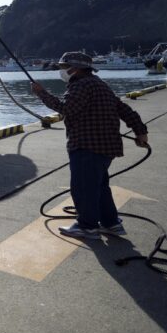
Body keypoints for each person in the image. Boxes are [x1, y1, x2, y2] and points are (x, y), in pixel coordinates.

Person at [31, 51, 149, 239]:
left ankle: (87, 226)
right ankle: (111, 224)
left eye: (64, 67)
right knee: (100, 187)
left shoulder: (81, 85)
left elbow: (66, 109)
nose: (61, 71)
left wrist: (42, 94)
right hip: (107, 147)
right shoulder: (100, 85)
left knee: (83, 188)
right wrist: (140, 131)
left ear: (75, 68)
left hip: (87, 146)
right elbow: (124, 109)